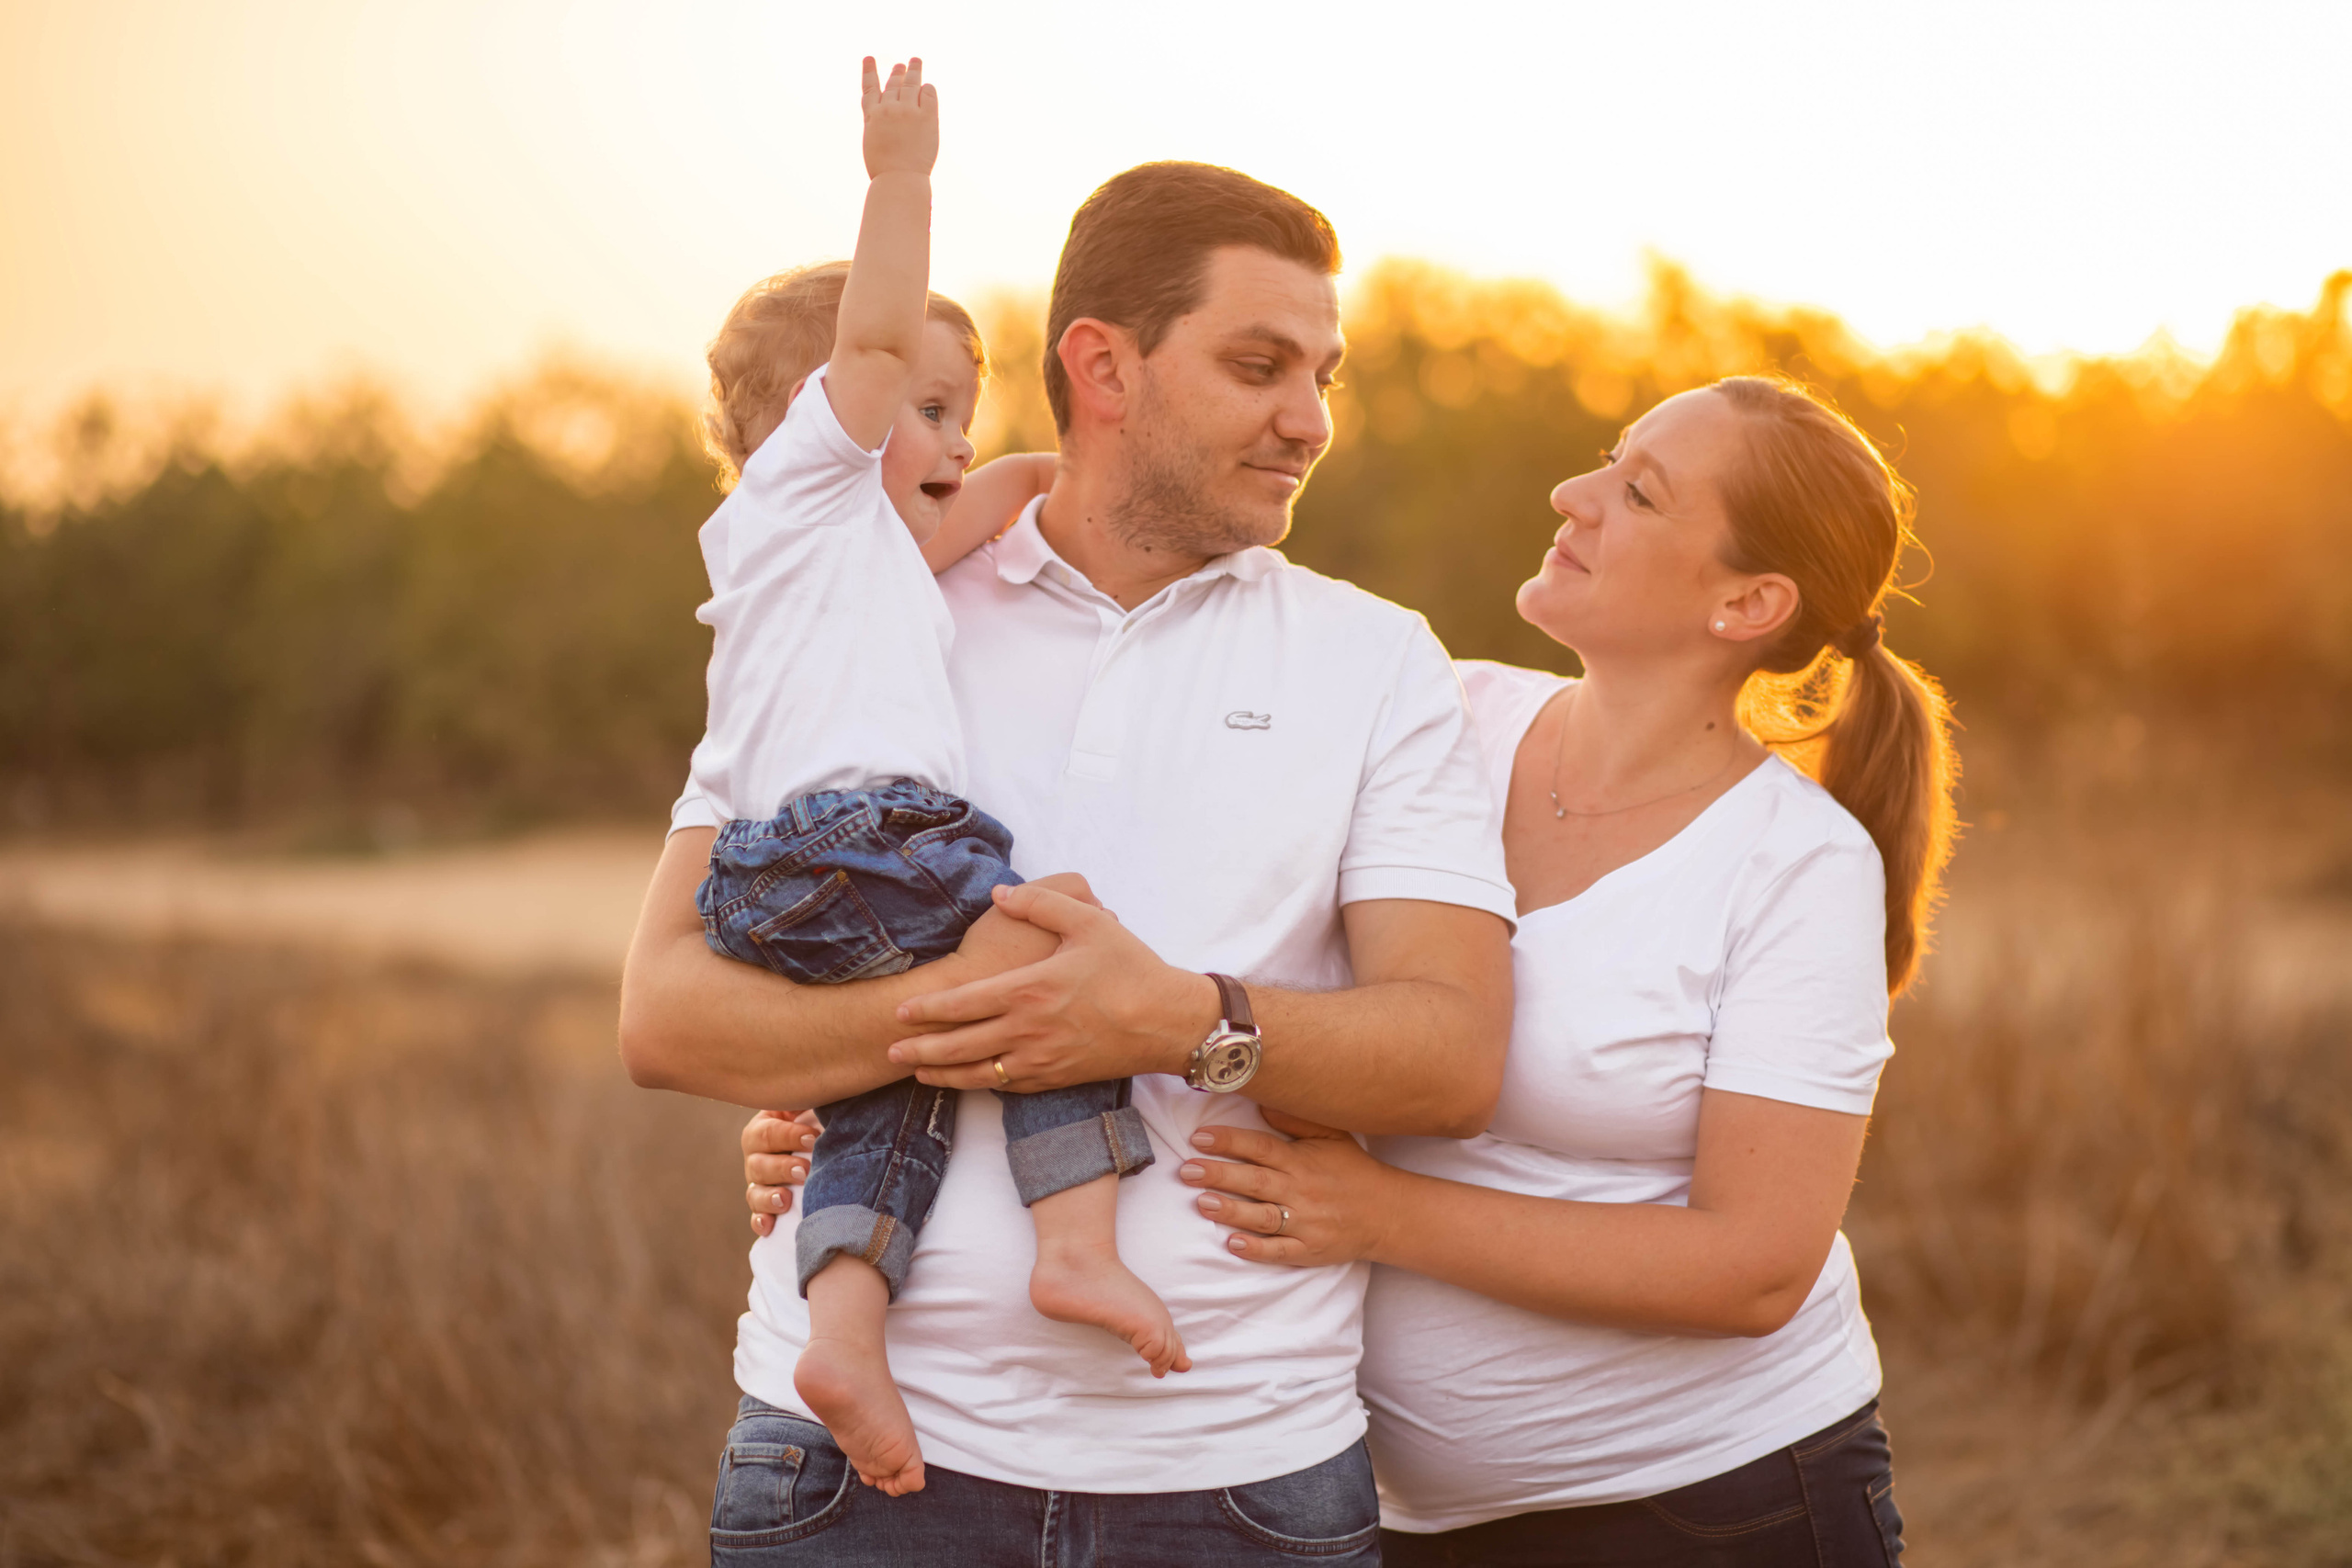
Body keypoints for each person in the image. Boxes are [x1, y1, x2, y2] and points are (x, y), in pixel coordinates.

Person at [751, 376, 1956, 1564]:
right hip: (1393, 1515)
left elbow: (1753, 1269)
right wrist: (870, 1117)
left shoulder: (1797, 863)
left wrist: (1383, 1214)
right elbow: (1197, 961)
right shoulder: (1440, 713)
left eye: (1637, 493)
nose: (1574, 493)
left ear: (1747, 602)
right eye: (1608, 457)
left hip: (1713, 1504)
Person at [623, 155, 1518, 1563]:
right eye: (1260, 365)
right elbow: (662, 1018)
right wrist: (920, 1032)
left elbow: (1451, 1058)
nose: (1310, 421)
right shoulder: (867, 617)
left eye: (1323, 375)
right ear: (1102, 364)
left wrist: (1172, 1021)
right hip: (851, 1489)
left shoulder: (1376, 660)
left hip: (1241, 1481)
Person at [675, 57, 1181, 1501]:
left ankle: (844, 1327)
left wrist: (1024, 469)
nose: (950, 438)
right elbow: (879, 347)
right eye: (927, 407)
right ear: (818, 410)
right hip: (856, 840)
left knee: (897, 1083)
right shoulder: (802, 492)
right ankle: (1077, 1247)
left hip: (801, 872)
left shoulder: (849, 561)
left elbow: (993, 505)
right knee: (1048, 943)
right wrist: (904, 179)